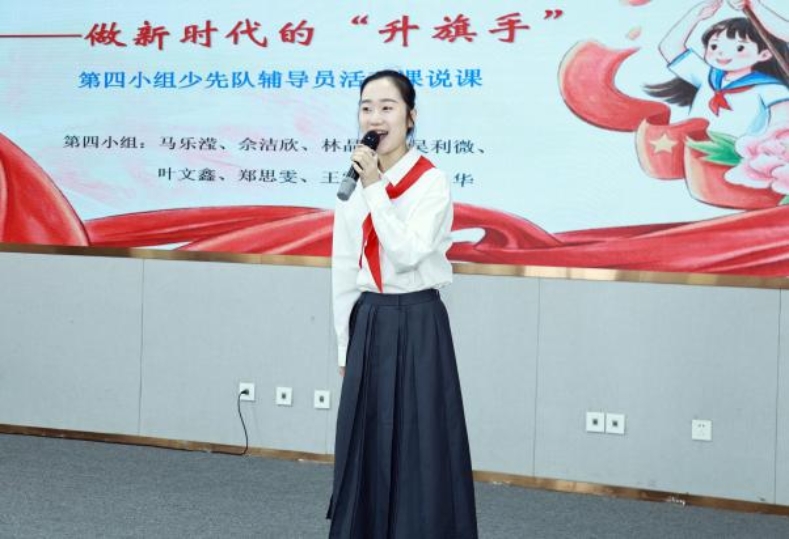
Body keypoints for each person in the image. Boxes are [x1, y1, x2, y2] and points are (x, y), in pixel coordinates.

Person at [327, 69, 478, 539]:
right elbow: (344, 266)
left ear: (410, 117)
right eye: (366, 107)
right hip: (370, 320)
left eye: (387, 107)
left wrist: (375, 187)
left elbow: (408, 253)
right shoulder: (354, 184)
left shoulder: (431, 181)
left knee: (422, 444)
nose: (375, 117)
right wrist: (344, 343)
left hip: (417, 320)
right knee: (364, 442)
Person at [644, 0, 789, 137]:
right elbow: (669, 47)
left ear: (764, 55)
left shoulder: (772, 89)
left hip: (738, 151)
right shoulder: (707, 75)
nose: (721, 53)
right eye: (714, 46)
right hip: (693, 146)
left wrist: (756, 7)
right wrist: (696, 15)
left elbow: (781, 127)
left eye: (739, 48)